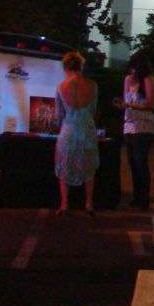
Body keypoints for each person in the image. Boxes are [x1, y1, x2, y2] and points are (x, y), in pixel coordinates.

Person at [54, 51, 99, 215]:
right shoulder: (92, 86)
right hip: (86, 129)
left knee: (64, 167)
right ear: (81, 66)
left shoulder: (61, 86)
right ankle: (88, 204)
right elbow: (93, 111)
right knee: (88, 167)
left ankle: (64, 204)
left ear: (66, 67)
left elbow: (59, 115)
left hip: (69, 130)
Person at [114, 50, 154, 210]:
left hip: (143, 125)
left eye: (134, 68)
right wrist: (122, 105)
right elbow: (126, 100)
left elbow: (151, 105)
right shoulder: (128, 80)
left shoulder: (147, 80)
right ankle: (136, 197)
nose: (132, 71)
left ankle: (143, 199)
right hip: (129, 124)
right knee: (132, 162)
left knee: (141, 162)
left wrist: (130, 105)